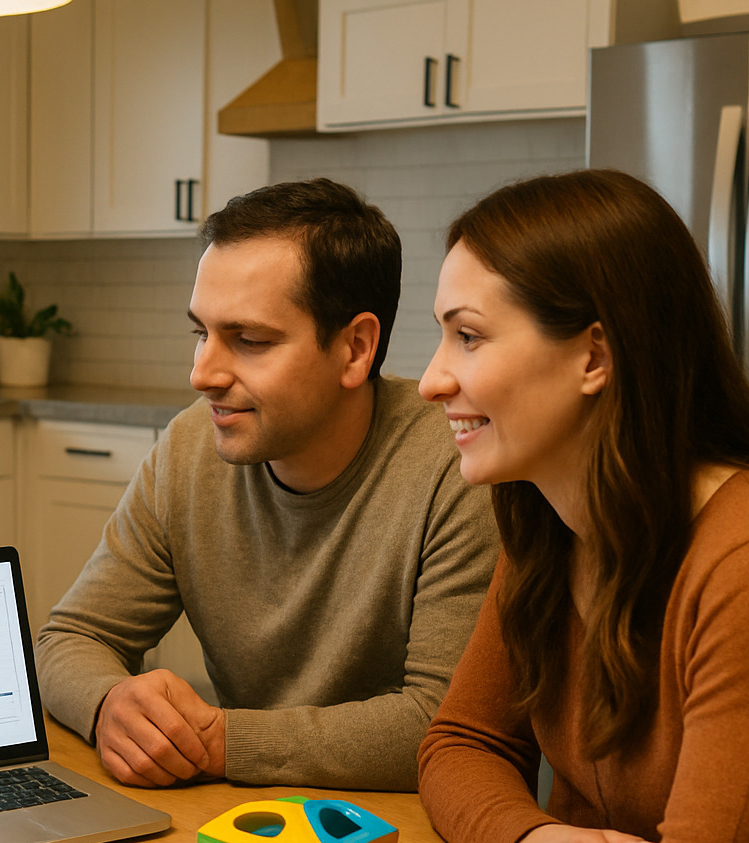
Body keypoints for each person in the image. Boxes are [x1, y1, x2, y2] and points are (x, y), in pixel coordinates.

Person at [415, 169, 749, 843]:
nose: (431, 379)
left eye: (468, 336)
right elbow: (459, 745)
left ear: (594, 356)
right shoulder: (549, 524)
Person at [36, 178, 499, 791]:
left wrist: (216, 742)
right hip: (236, 824)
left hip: (392, 836)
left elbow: (438, 725)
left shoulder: (457, 468)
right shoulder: (189, 449)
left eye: (249, 341)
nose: (201, 374)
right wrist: (109, 702)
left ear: (356, 349)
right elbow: (70, 636)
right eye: (201, 333)